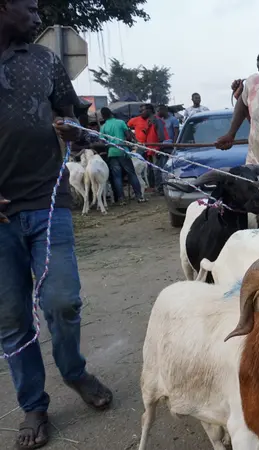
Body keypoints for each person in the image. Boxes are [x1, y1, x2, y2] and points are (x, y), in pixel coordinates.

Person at [0, 1, 114, 448]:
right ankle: (33, 405)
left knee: (63, 300)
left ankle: (74, 372)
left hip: (49, 201)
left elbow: (76, 119)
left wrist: (74, 129)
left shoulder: (44, 60)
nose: (36, 15)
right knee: (11, 318)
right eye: (28, 6)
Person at [99, 107, 146, 204]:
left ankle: (121, 199)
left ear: (103, 116)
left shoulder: (103, 127)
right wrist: (128, 140)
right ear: (111, 113)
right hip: (123, 151)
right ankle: (139, 196)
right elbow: (128, 135)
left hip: (112, 152)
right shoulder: (120, 122)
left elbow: (102, 141)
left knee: (117, 177)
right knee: (131, 174)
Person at [127, 104, 166, 191]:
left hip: (156, 148)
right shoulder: (150, 121)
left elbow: (161, 137)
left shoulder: (156, 120)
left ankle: (160, 189)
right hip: (149, 148)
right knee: (150, 169)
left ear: (149, 110)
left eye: (142, 110)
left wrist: (159, 149)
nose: (141, 113)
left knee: (157, 169)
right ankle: (154, 186)